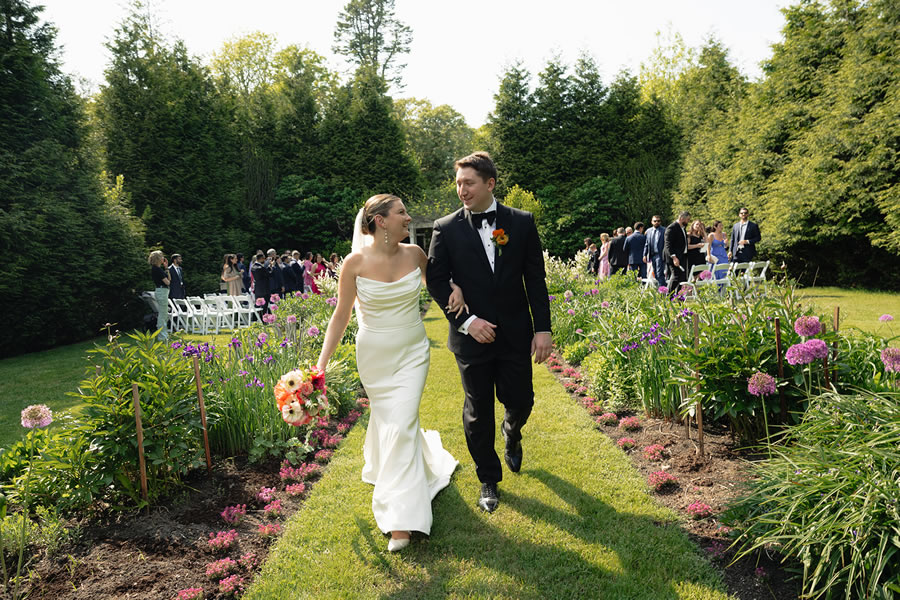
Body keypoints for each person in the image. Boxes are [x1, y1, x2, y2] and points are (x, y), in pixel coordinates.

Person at [316, 194, 459, 553]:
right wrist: (320, 365)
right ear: (380, 221)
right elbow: (341, 316)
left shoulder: (415, 255)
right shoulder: (354, 263)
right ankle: (410, 477)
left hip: (413, 351)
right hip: (375, 357)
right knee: (391, 422)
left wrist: (455, 289)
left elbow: (439, 288)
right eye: (401, 213)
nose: (408, 218)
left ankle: (401, 522)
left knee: (404, 420)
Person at [426, 151, 552, 514]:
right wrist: (467, 322)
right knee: (478, 410)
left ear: (490, 184)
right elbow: (434, 279)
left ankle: (513, 432)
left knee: (522, 400)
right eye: (458, 184)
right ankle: (488, 479)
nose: (461, 190)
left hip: (515, 333)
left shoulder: (522, 222)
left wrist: (542, 328)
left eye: (469, 183)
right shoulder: (445, 228)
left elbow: (535, 280)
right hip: (470, 339)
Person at [664, 211, 691, 296]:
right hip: (674, 257)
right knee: (675, 276)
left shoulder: (682, 228)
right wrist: (674, 257)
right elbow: (668, 244)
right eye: (687, 219)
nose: (688, 221)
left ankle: (679, 297)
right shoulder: (672, 228)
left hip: (682, 256)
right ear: (681, 218)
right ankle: (668, 296)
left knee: (682, 279)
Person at [149, 251, 170, 340]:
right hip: (162, 291)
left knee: (164, 314)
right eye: (161, 257)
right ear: (158, 258)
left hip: (162, 290)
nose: (163, 258)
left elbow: (169, 279)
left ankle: (163, 335)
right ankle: (162, 336)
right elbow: (168, 282)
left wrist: (166, 268)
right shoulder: (156, 269)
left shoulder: (158, 269)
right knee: (162, 314)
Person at [643, 215, 666, 287]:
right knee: (656, 274)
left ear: (660, 222)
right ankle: (662, 288)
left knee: (659, 273)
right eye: (655, 221)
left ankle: (663, 291)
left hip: (660, 254)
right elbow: (647, 244)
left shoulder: (664, 230)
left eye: (658, 221)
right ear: (652, 222)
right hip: (652, 255)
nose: (656, 222)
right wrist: (644, 254)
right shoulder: (648, 231)